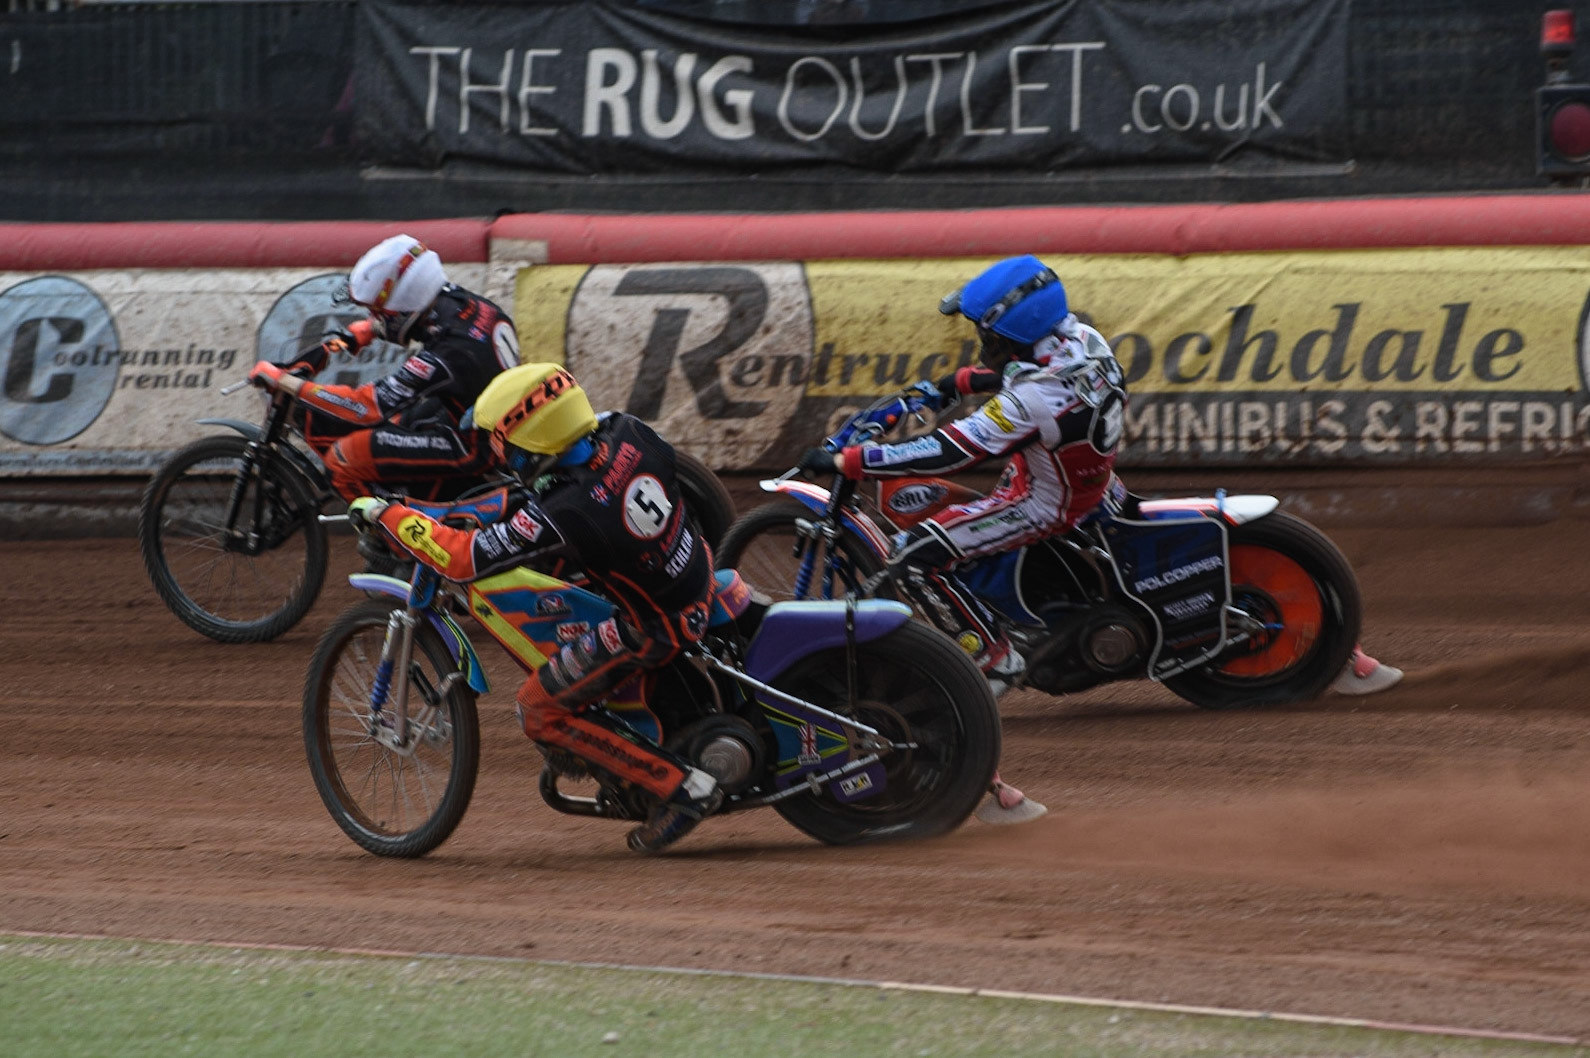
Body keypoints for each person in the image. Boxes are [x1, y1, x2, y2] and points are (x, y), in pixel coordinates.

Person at [799, 254, 1126, 826]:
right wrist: (957, 383)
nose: (981, 342)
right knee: (952, 511)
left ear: (1010, 333)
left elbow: (954, 449)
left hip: (1044, 501)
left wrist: (854, 458)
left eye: (986, 334)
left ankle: (994, 654)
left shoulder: (1035, 398)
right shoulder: (1082, 340)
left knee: (913, 553)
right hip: (1088, 475)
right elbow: (1017, 381)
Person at [344, 362, 724, 854]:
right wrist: (437, 512)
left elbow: (462, 560)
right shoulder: (628, 432)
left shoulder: (571, 510)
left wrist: (387, 514)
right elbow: (527, 499)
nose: (498, 452)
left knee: (538, 708)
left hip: (655, 626)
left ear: (530, 438)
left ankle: (682, 788)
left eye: (502, 441)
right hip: (696, 569)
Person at [248, 234, 520, 507]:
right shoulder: (467, 303)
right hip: (480, 421)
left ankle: (390, 537)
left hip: (473, 446)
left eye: (379, 313)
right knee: (397, 424)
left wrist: (287, 382)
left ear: (403, 304)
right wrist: (368, 331)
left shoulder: (444, 353)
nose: (374, 318)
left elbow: (367, 408)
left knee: (343, 457)